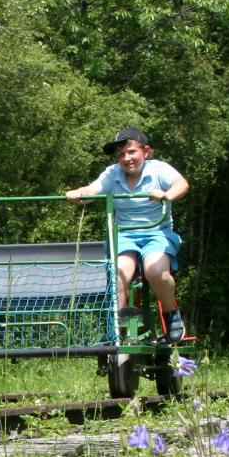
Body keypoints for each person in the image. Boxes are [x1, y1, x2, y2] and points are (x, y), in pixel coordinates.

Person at [66, 127, 189, 343]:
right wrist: (78, 193)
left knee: (156, 271)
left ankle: (171, 315)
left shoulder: (159, 169)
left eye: (132, 152)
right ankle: (116, 330)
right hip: (124, 235)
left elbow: (181, 184)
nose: (127, 158)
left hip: (157, 231)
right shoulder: (112, 174)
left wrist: (167, 194)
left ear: (146, 151)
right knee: (119, 274)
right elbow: (93, 190)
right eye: (121, 154)